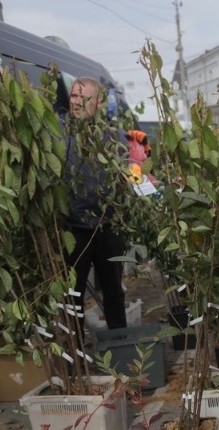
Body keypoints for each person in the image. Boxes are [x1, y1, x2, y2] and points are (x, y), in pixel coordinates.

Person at [62, 76, 128, 335]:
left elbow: (126, 177)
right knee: (72, 295)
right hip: (73, 228)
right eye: (74, 96)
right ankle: (75, 358)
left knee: (113, 289)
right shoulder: (58, 133)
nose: (77, 103)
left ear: (99, 103)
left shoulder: (113, 136)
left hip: (108, 225)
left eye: (84, 98)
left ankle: (120, 346)